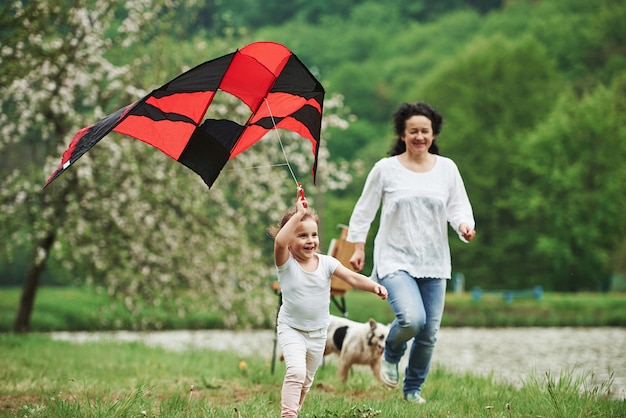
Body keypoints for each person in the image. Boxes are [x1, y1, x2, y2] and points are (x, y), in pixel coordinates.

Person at [347, 101, 476, 404]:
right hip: (394, 258)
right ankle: (391, 351)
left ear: (433, 134)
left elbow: (458, 207)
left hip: (433, 260)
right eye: (413, 131)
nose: (419, 136)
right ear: (402, 135)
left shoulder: (447, 169)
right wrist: (358, 246)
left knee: (429, 333)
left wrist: (464, 226)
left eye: (425, 131)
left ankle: (413, 389)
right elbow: (365, 209)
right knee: (412, 320)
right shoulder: (386, 169)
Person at [271, 194, 388, 418]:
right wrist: (297, 214)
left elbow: (352, 278)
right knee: (295, 371)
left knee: (305, 381)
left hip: (318, 334)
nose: (310, 240)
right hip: (292, 328)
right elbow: (278, 242)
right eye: (302, 235)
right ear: (289, 241)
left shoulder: (326, 263)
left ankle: (294, 410)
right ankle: (288, 415)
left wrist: (374, 286)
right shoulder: (286, 263)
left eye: (313, 235)